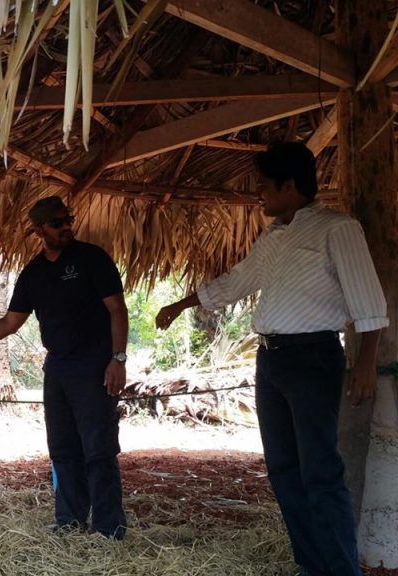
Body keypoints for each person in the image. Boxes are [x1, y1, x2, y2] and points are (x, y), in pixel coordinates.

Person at [155, 142, 388, 576]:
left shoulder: (338, 229)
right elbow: (237, 280)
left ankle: (340, 570)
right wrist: (183, 304)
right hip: (272, 362)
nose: (258, 194)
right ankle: (311, 565)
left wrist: (366, 364)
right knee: (283, 470)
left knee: (320, 472)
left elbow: (368, 302)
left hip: (314, 359)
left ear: (290, 184)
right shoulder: (275, 235)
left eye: (264, 185)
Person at [0, 195, 128, 539]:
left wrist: (118, 360)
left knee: (99, 449)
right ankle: (70, 520)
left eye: (68, 219)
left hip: (94, 364)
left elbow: (117, 309)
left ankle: (108, 527)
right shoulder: (33, 273)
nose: (66, 227)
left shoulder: (92, 259)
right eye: (57, 223)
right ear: (39, 230)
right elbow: (11, 322)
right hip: (56, 367)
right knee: (61, 448)